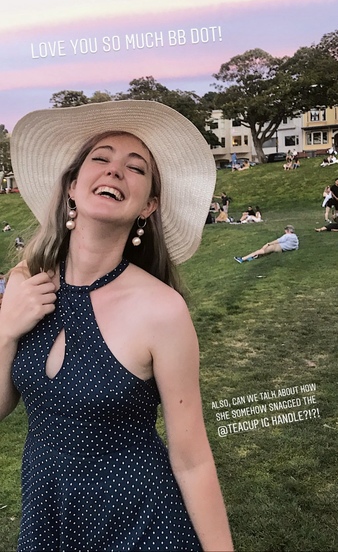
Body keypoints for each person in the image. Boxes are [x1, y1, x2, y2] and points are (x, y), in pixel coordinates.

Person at [1, 101, 233, 552]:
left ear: (148, 205)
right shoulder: (27, 284)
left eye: (135, 168)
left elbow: (191, 459)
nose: (114, 172)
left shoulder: (162, 310)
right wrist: (6, 329)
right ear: (72, 185)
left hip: (141, 526)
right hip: (48, 520)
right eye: (100, 159)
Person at [234, 225, 299, 263]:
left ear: (287, 230)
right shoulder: (295, 236)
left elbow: (278, 240)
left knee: (261, 251)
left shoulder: (287, 236)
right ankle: (252, 258)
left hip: (278, 247)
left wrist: (268, 244)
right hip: (282, 249)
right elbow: (296, 246)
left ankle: (242, 259)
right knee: (266, 253)